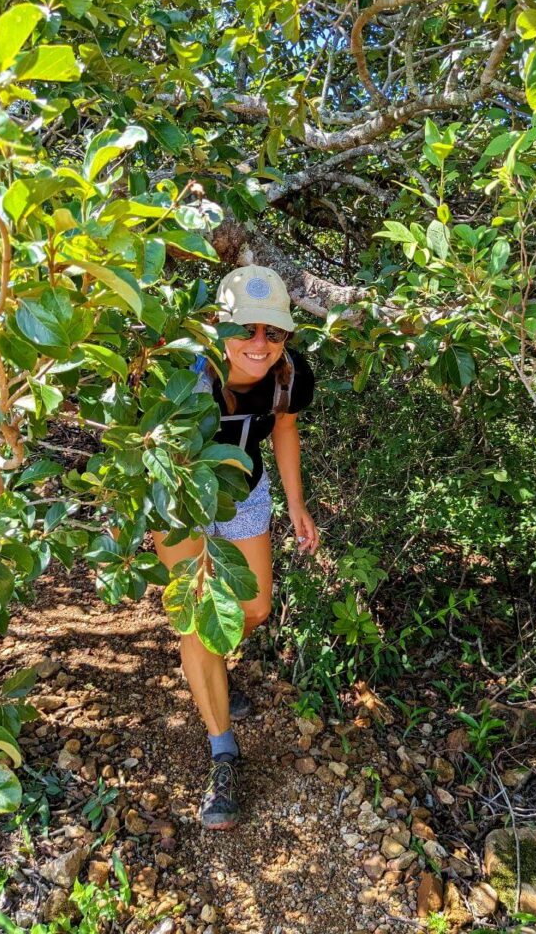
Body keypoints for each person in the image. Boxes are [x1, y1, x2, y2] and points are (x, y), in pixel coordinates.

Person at [152, 264, 319, 830]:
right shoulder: (186, 370)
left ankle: (211, 665)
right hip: (181, 502)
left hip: (245, 493)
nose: (259, 344)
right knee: (199, 621)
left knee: (255, 608)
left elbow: (285, 430)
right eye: (246, 329)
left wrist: (296, 504)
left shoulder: (290, 373)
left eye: (273, 332)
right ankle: (222, 751)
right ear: (217, 327)